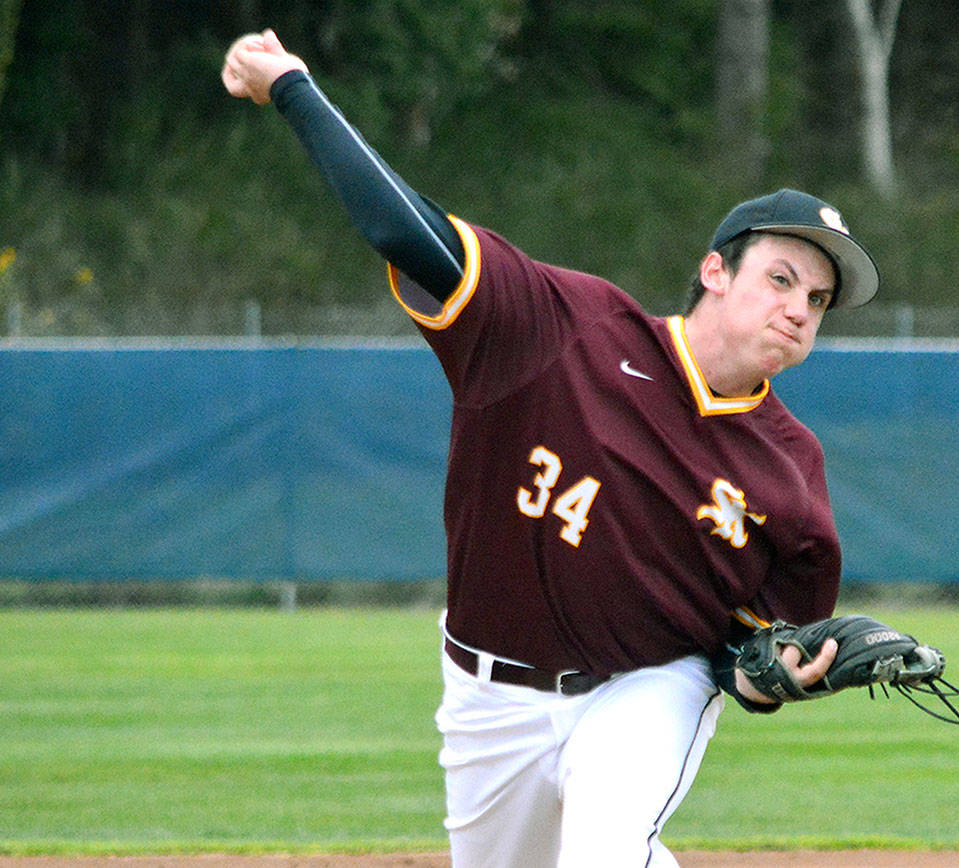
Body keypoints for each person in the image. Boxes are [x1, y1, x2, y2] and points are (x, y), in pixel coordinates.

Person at [222, 29, 881, 867]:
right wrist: (292, 86)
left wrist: (767, 678)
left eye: (819, 300)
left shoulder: (790, 471)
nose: (799, 309)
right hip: (486, 695)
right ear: (715, 271)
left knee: (606, 849)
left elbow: (746, 658)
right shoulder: (565, 329)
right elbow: (403, 226)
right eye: (782, 278)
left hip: (648, 687)